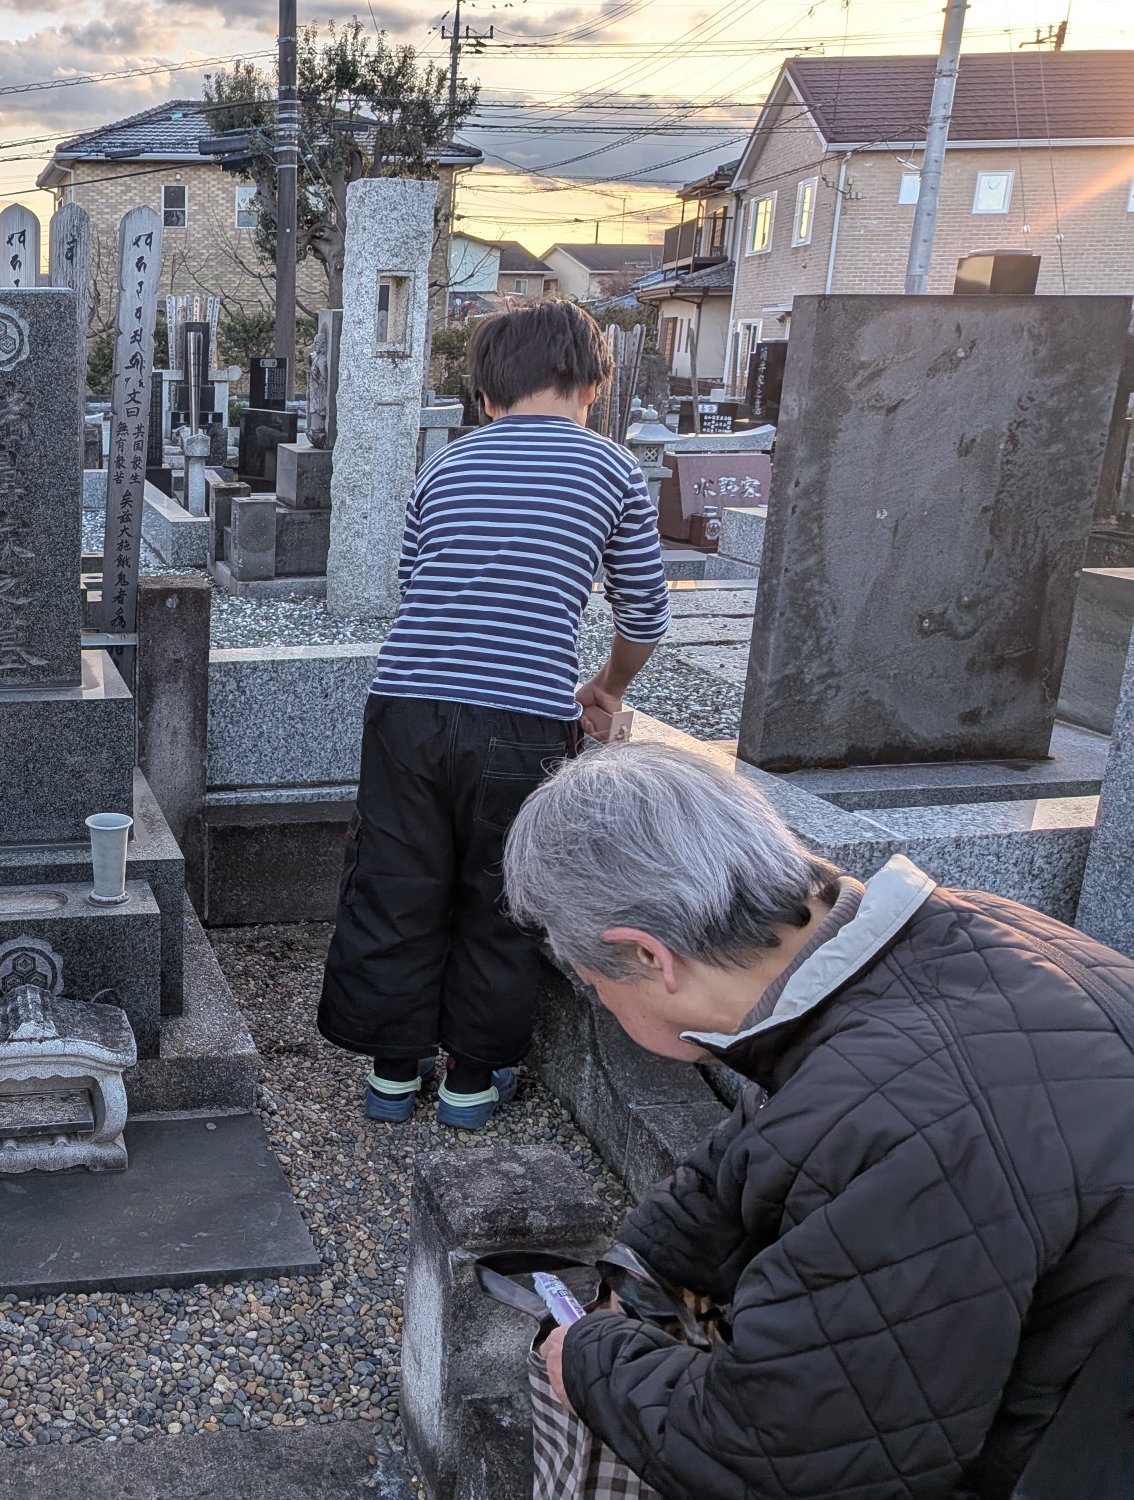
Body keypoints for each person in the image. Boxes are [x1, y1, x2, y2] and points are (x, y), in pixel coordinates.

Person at [504, 741, 1134, 1496]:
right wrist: (646, 1264)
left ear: (647, 956)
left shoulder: (899, 1131)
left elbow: (783, 1456)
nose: (601, 1002)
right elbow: (773, 1136)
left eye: (591, 983)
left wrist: (586, 1360)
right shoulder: (959, 937)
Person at [317, 301, 669, 1129]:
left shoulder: (445, 466)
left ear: (484, 395)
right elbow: (645, 615)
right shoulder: (613, 469)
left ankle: (392, 1074)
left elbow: (416, 585)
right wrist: (608, 687)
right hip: (524, 717)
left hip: (405, 706)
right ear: (592, 385)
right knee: (503, 891)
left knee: (396, 883)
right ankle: (470, 1082)